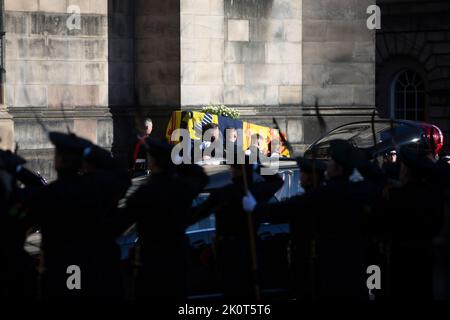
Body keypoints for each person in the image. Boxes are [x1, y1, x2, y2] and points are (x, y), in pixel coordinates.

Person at [243, 140, 369, 300]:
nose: (300, 175)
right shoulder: (354, 191)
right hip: (344, 268)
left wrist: (255, 208)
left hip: (318, 268)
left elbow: (283, 209)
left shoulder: (319, 196)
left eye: (331, 162)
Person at [25, 132, 128, 300]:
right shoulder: (99, 187)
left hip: (62, 276)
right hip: (98, 276)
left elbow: (17, 224)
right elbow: (122, 175)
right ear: (82, 161)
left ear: (58, 161)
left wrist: (17, 168)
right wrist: (90, 148)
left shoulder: (47, 195)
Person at [120, 138, 208, 300]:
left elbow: (120, 224)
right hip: (177, 261)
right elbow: (201, 177)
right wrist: (179, 162)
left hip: (151, 263)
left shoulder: (144, 193)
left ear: (152, 163)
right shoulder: (182, 188)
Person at [189, 155, 283, 300]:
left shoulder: (224, 193)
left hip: (228, 251)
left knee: (233, 292)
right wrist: (258, 167)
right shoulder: (257, 191)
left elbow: (198, 213)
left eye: (232, 167)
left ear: (235, 170)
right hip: (250, 249)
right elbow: (277, 180)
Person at [382, 145, 445, 300]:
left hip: (401, 258)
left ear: (408, 171)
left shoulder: (396, 196)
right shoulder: (434, 196)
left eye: (402, 166)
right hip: (425, 256)